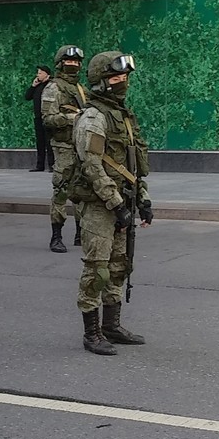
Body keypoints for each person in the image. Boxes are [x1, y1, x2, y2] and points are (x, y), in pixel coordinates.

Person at [70, 51, 150, 355]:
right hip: (99, 207)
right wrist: (116, 204)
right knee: (97, 270)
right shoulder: (93, 117)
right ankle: (91, 333)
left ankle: (111, 326)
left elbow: (134, 165)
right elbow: (92, 166)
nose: (123, 83)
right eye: (116, 78)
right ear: (101, 82)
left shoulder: (123, 117)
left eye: (125, 77)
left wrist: (143, 199)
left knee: (119, 267)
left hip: (123, 202)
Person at [41, 46, 87, 253]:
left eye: (77, 62)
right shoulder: (53, 88)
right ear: (60, 64)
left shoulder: (80, 89)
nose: (73, 65)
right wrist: (71, 118)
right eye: (69, 62)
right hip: (63, 147)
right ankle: (56, 236)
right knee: (61, 190)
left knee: (81, 190)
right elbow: (47, 119)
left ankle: (80, 233)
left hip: (80, 146)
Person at [26, 66, 52, 172]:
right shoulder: (37, 85)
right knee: (40, 142)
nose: (38, 75)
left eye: (40, 73)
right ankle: (39, 165)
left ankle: (52, 165)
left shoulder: (51, 85)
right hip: (38, 118)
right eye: (38, 73)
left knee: (49, 142)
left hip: (48, 117)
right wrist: (33, 86)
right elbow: (27, 97)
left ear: (47, 74)